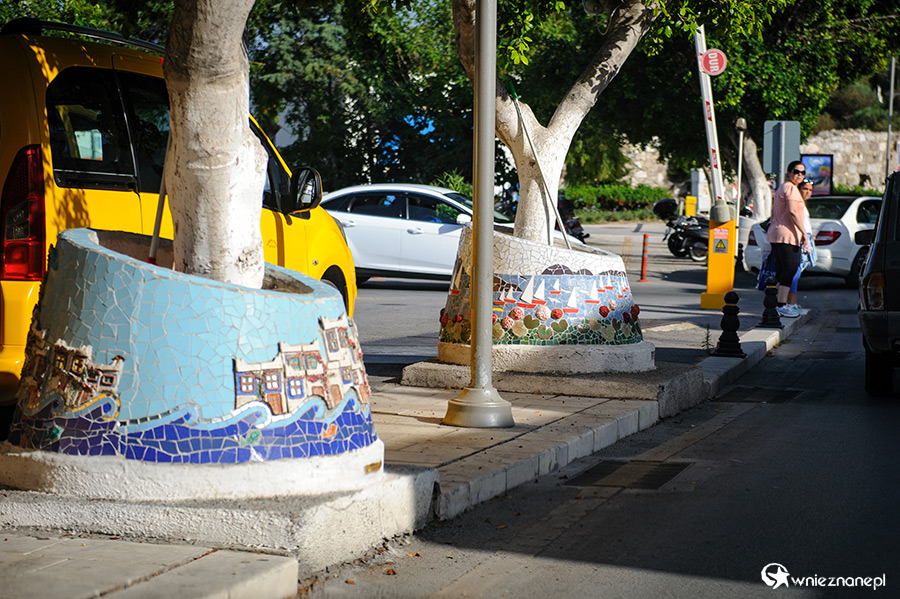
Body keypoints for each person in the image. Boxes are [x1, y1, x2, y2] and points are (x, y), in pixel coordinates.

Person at [766, 160, 810, 318]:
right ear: (789, 172)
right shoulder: (790, 188)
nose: (799, 175)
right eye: (796, 171)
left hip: (778, 233)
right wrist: (804, 233)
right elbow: (792, 212)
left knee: (781, 270)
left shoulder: (784, 187)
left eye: (802, 172)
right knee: (790, 269)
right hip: (787, 235)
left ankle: (775, 303)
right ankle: (781, 305)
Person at [785, 179, 817, 315]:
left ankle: (792, 303)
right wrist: (804, 235)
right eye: (805, 189)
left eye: (810, 190)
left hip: (806, 238)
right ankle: (790, 304)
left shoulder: (802, 204)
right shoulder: (797, 204)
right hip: (800, 239)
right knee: (795, 273)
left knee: (797, 272)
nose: (807, 192)